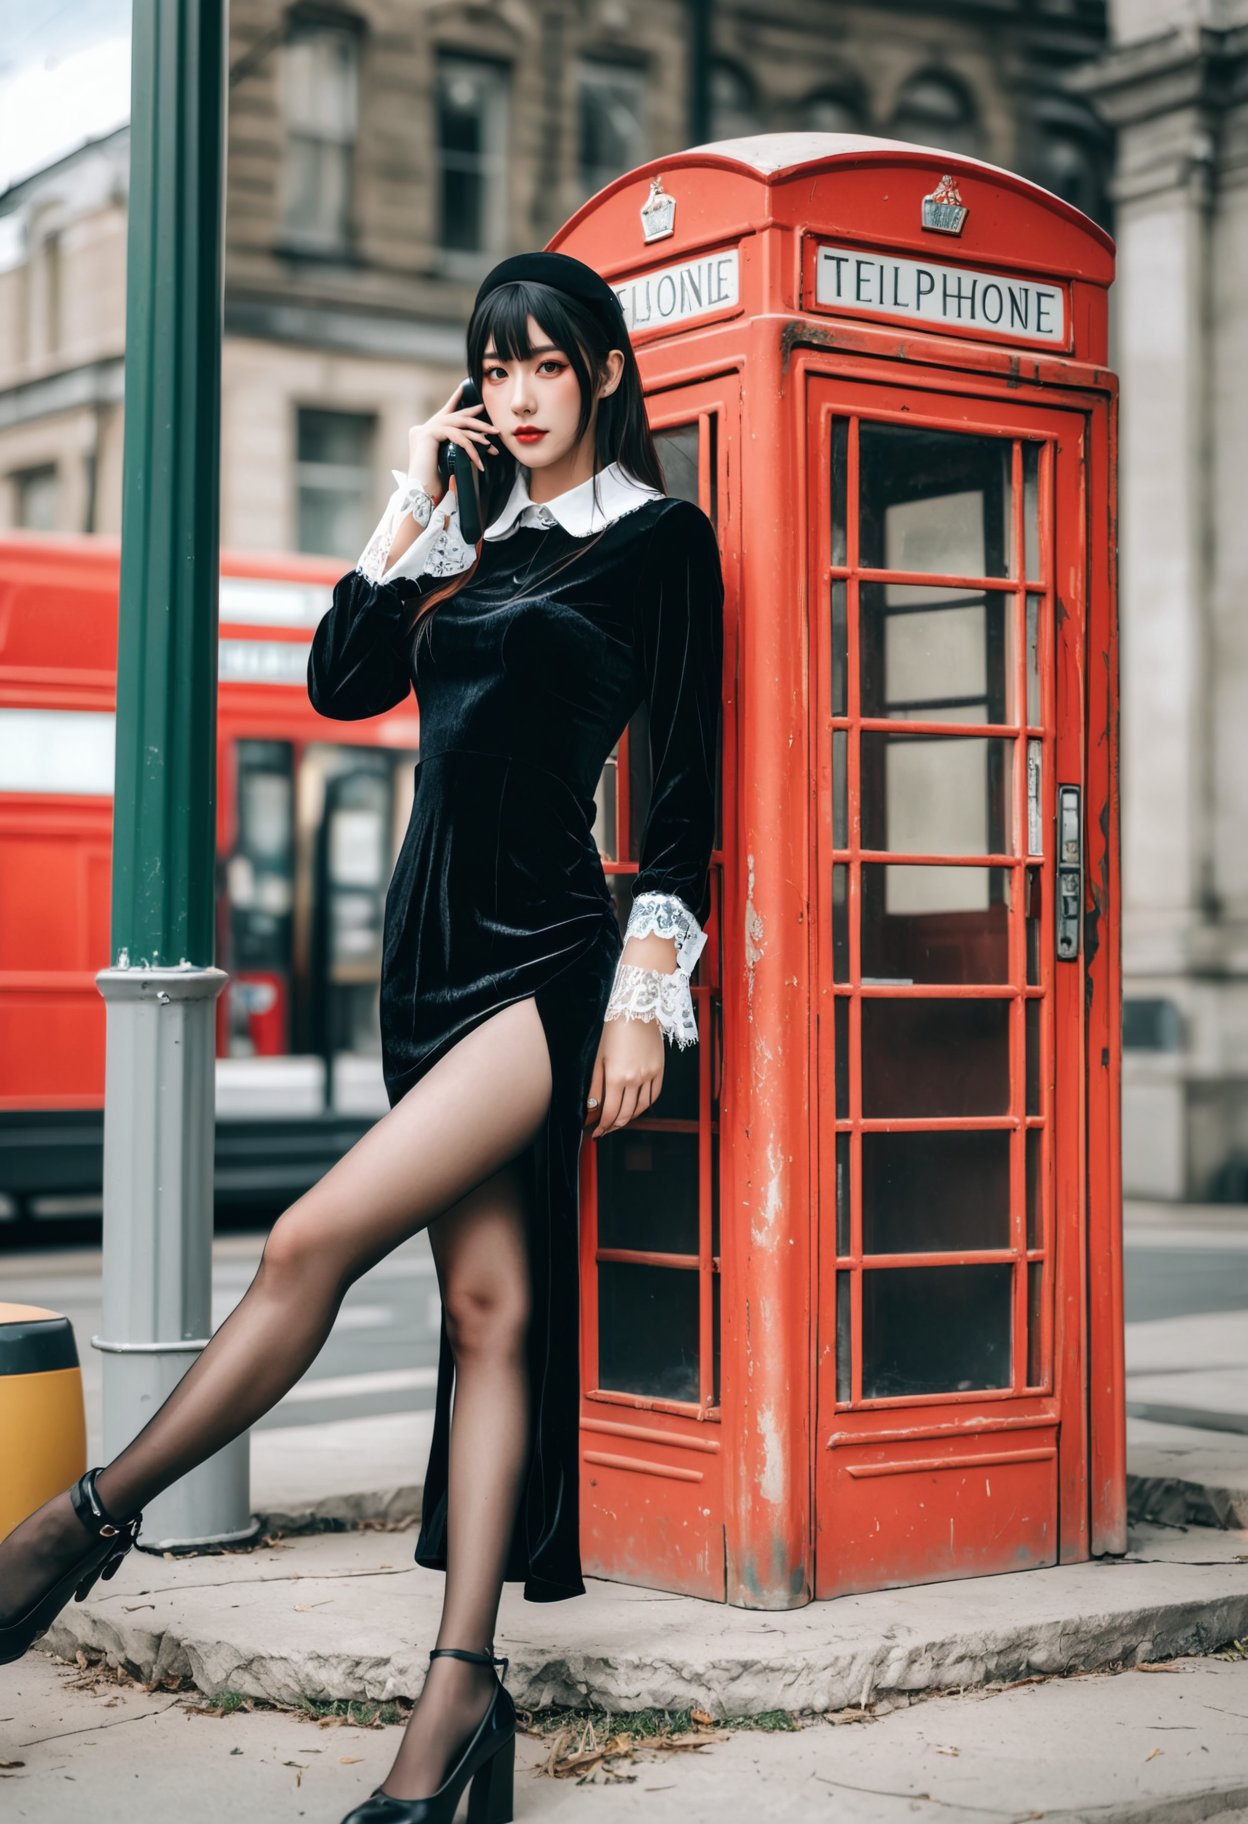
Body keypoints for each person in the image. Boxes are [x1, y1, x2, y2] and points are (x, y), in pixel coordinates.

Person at [0, 249, 724, 1824]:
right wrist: (418, 496)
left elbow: (683, 807)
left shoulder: (662, 545)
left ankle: (77, 1527)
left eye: (544, 364)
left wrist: (645, 1001)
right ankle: (457, 1713)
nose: (519, 394)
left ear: (602, 370)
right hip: (424, 964)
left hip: (541, 962)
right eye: (495, 368)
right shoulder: (480, 540)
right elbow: (339, 679)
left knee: (306, 1241)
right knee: (487, 1314)